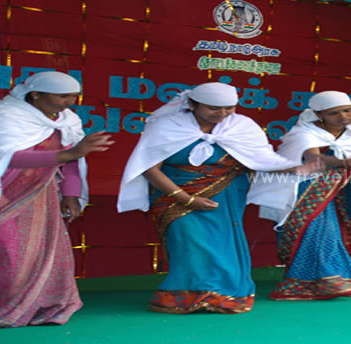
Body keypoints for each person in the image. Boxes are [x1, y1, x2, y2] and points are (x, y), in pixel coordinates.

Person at [0, 71, 113, 328]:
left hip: (39, 196)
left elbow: (73, 160)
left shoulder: (68, 120)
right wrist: (69, 153)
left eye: (73, 96)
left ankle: (35, 307)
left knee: (41, 254)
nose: (69, 102)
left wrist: (71, 194)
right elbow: (11, 157)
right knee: (5, 254)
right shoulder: (2, 115)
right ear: (36, 94)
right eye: (62, 96)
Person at [118, 82, 318, 314]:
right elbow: (149, 168)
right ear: (192, 104)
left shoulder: (243, 126)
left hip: (227, 193)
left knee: (220, 243)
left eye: (229, 108)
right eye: (213, 108)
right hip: (174, 194)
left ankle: (219, 294)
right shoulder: (166, 126)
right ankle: (188, 295)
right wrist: (187, 199)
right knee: (191, 241)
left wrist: (296, 169)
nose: (222, 114)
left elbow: (262, 161)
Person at [248, 91, 351, 300]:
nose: (343, 116)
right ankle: (314, 282)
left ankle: (329, 280)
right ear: (320, 114)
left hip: (334, 190)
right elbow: (316, 159)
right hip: (300, 188)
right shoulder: (303, 133)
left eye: (347, 110)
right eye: (334, 113)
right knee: (315, 232)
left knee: (328, 231)